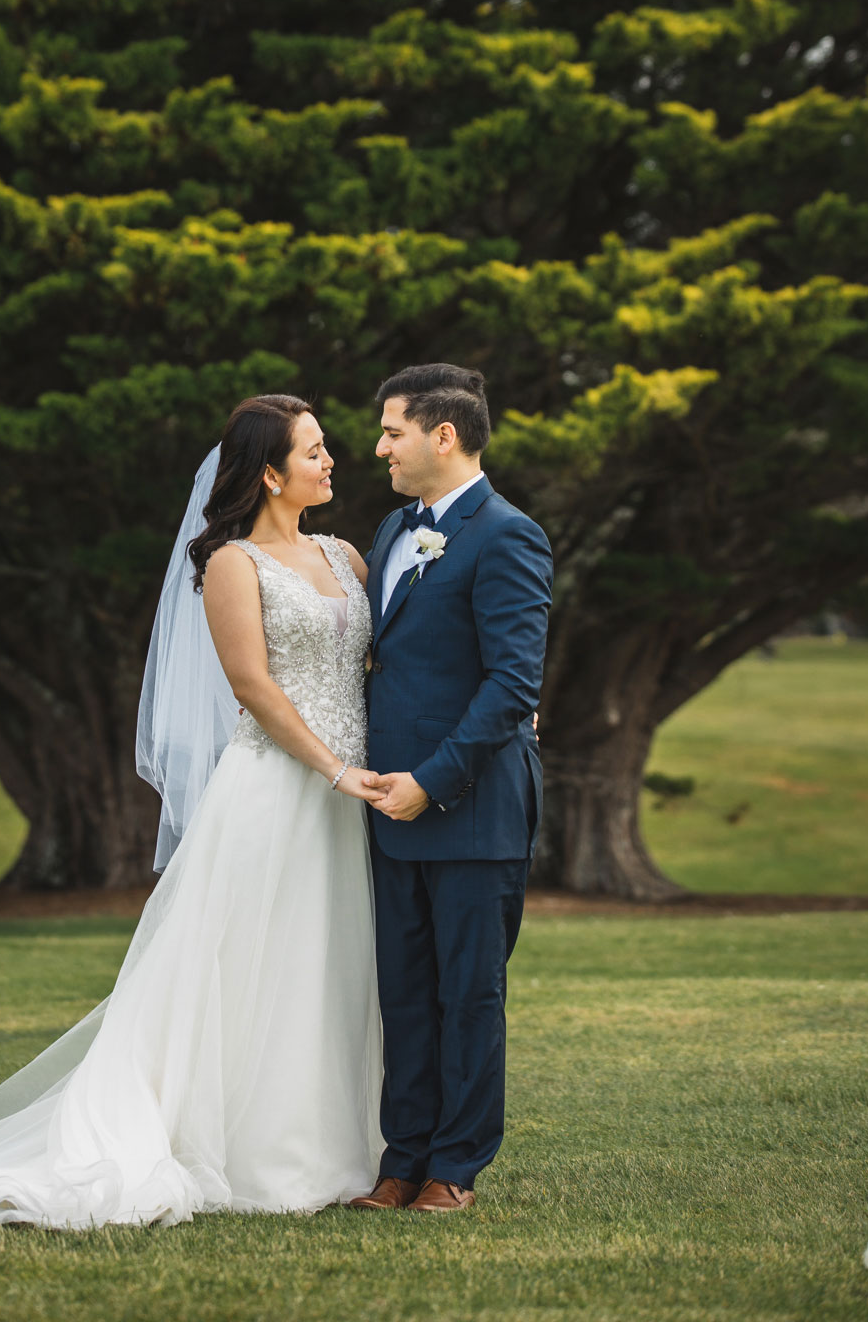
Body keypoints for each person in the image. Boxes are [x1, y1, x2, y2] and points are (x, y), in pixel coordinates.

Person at [0, 394, 387, 1228]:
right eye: (315, 451)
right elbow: (252, 685)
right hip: (276, 790)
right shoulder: (230, 565)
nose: (333, 462)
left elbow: (381, 664)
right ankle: (253, 1153)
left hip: (348, 793)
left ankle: (332, 1145)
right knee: (253, 963)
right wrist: (330, 770)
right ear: (267, 472)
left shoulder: (347, 557)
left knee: (328, 960)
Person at [350, 363, 551, 1215]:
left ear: (444, 435)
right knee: (403, 992)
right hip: (386, 807)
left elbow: (512, 683)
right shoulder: (395, 527)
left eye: (392, 430)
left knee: (468, 995)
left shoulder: (507, 533)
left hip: (470, 811)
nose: (378, 447)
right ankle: (401, 1161)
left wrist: (429, 784)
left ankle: (454, 1170)